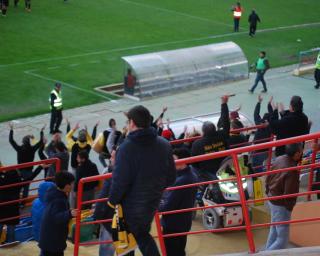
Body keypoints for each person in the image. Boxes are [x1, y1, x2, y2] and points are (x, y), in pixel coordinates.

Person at [108, 105, 176, 256]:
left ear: (132, 123)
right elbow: (171, 177)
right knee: (140, 234)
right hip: (152, 201)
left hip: (131, 206)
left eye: (127, 121)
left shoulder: (126, 148)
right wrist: (154, 189)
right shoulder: (164, 144)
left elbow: (120, 182)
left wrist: (111, 201)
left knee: (130, 237)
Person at [159, 148, 198, 256]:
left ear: (183, 161)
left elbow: (167, 207)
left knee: (171, 251)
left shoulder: (182, 181)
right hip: (183, 222)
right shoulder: (191, 173)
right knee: (179, 250)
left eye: (173, 160)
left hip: (173, 224)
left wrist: (154, 203)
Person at [265, 143, 303, 250]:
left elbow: (268, 177)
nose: (302, 153)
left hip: (272, 198)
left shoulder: (279, 159)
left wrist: (267, 191)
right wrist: (289, 207)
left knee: (274, 230)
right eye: (301, 151)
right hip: (281, 205)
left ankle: (266, 252)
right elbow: (289, 194)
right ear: (296, 154)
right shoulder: (292, 170)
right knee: (282, 239)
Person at [191, 95, 231, 180]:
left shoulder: (197, 144)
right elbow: (226, 122)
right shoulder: (222, 135)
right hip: (225, 168)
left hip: (209, 174)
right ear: (215, 129)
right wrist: (224, 104)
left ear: (203, 131)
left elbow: (194, 163)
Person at [39, 171, 77, 256]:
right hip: (54, 240)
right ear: (67, 186)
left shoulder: (53, 192)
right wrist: (69, 214)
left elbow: (54, 212)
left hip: (48, 237)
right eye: (72, 183)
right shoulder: (59, 200)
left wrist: (67, 211)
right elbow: (55, 217)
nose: (73, 185)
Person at [9, 123, 45, 199]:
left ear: (22, 142)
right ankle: (23, 202)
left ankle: (16, 199)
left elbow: (11, 140)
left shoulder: (19, 149)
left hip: (20, 171)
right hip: (29, 171)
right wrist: (41, 131)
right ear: (29, 142)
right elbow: (41, 141)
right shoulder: (32, 149)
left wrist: (11, 129)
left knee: (17, 186)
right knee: (26, 187)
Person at [250, 95, 272, 173]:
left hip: (257, 149)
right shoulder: (271, 126)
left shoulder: (260, 124)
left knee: (256, 164)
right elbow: (272, 116)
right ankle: (261, 172)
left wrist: (259, 102)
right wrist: (270, 105)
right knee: (261, 163)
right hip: (266, 150)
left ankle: (258, 174)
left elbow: (256, 114)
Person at [0, 168, 23, 244]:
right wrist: (40, 167)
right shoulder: (18, 184)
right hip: (13, 209)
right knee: (11, 231)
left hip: (2, 207)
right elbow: (30, 178)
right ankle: (10, 246)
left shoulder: (2, 182)